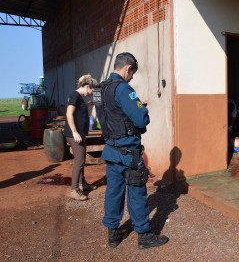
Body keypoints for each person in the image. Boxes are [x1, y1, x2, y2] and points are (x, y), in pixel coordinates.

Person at [96, 52, 168, 249]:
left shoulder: (98, 90)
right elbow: (141, 119)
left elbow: (102, 117)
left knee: (113, 192)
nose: (132, 77)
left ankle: (113, 233)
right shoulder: (124, 89)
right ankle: (144, 235)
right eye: (132, 73)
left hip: (111, 149)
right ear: (127, 68)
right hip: (129, 152)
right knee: (136, 192)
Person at [64, 74, 98, 201]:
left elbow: (78, 112)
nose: (92, 93)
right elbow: (69, 114)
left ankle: (82, 184)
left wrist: (88, 106)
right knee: (79, 161)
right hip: (75, 135)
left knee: (81, 159)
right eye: (92, 91)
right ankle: (74, 189)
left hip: (80, 133)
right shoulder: (75, 96)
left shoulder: (79, 98)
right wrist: (74, 132)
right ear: (88, 87)